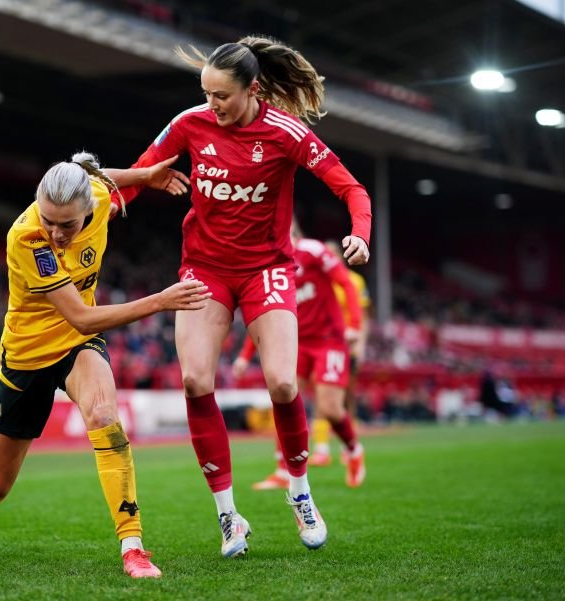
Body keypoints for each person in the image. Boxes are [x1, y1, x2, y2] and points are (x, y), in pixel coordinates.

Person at [115, 35, 372, 555]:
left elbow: (351, 188)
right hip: (204, 268)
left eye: (222, 96)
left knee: (281, 383)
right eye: (206, 94)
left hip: (266, 270)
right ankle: (229, 515)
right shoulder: (190, 123)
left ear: (252, 89)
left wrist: (360, 233)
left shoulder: (286, 132)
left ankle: (300, 494)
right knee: (194, 380)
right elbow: (141, 171)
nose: (212, 104)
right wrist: (102, 199)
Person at [0, 151, 211, 579]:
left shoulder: (96, 195)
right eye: (49, 220)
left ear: (92, 210)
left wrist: (146, 176)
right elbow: (80, 315)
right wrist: (160, 301)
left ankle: (132, 547)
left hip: (77, 347)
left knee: (104, 416)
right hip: (26, 356)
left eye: (67, 224)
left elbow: (97, 176)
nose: (56, 233)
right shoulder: (27, 239)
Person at [235, 221, 367, 489]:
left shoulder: (314, 251)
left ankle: (353, 450)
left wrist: (353, 326)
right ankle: (283, 471)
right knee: (281, 396)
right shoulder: (268, 265)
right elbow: (263, 313)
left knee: (330, 408)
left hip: (329, 341)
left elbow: (347, 283)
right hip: (294, 343)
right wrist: (244, 356)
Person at [305, 239, 372, 464]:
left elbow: (363, 315)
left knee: (347, 398)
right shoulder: (317, 280)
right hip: (324, 343)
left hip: (347, 343)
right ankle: (322, 447)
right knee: (322, 396)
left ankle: (348, 446)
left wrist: (360, 342)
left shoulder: (354, 281)